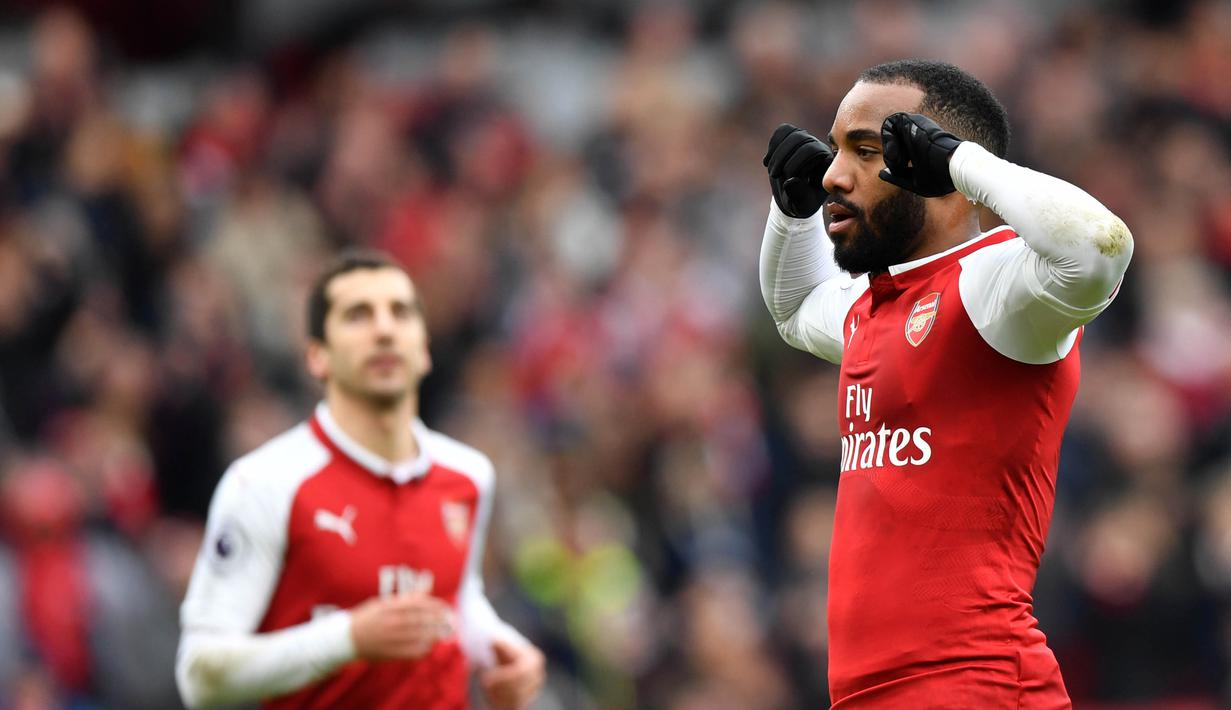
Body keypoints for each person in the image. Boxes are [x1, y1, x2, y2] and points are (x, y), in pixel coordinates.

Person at [759, 59, 1132, 708]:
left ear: (932, 168)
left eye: (865, 150)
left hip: (975, 685)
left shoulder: (998, 286)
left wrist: (963, 164)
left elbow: (1099, 247)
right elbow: (793, 311)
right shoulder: (871, 306)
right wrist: (788, 217)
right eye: (833, 150)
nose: (831, 175)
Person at [175, 250, 545, 709]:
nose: (385, 330)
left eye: (401, 313)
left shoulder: (468, 476)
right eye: (358, 315)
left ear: (424, 349)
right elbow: (199, 676)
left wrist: (500, 647)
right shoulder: (265, 484)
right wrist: (347, 639)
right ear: (317, 357)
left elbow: (456, 596)